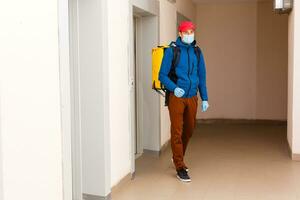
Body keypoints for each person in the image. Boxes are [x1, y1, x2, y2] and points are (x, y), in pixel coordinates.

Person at [159, 21, 209, 182]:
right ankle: (180, 166)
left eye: (191, 32)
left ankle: (177, 157)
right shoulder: (172, 51)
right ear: (180, 33)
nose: (189, 34)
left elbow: (202, 77)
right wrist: (174, 88)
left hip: (192, 96)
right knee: (177, 131)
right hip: (177, 97)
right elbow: (162, 75)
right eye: (186, 32)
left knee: (189, 129)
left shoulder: (197, 52)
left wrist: (205, 97)